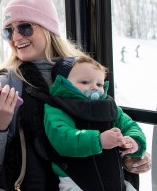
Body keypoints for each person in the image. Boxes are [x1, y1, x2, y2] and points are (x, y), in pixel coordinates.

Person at [0, 0, 151, 190]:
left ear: (48, 28)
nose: (16, 37)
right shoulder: (7, 84)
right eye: (8, 31)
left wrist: (130, 155)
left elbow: (104, 125)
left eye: (25, 27)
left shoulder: (82, 74)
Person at [44, 56, 146, 190]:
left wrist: (134, 142)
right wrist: (99, 140)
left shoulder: (109, 106)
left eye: (99, 84)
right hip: (75, 179)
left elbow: (130, 125)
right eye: (85, 82)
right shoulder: (57, 108)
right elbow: (62, 138)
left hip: (112, 176)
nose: (94, 88)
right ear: (63, 83)